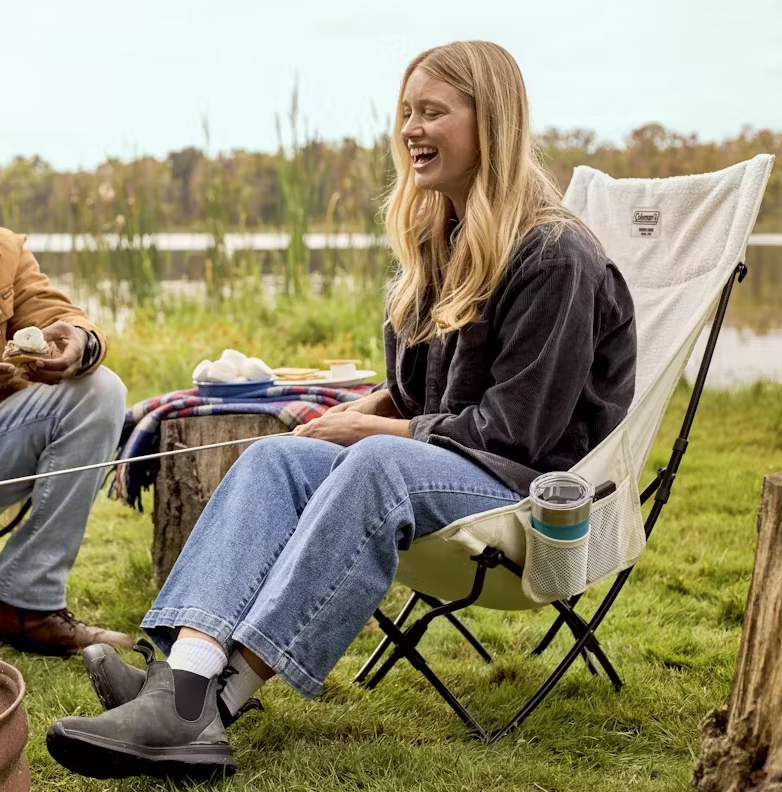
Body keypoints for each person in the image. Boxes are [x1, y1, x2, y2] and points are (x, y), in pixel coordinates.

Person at [47, 40, 637, 780]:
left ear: (492, 123)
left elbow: (515, 431)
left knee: (377, 461)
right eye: (405, 113)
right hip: (447, 463)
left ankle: (211, 708)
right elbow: (427, 393)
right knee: (275, 457)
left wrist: (371, 429)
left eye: (433, 113)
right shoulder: (444, 238)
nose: (411, 130)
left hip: (527, 490)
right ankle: (185, 681)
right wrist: (364, 407)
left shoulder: (554, 254)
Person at [0, 228, 131, 655]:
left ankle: (27, 605)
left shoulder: (5, 248)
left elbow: (55, 311)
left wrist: (80, 339)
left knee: (99, 391)